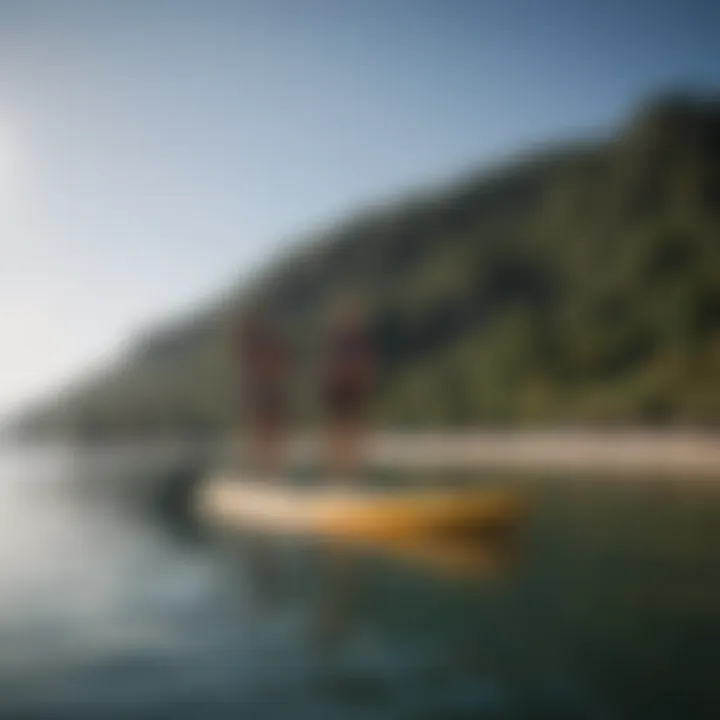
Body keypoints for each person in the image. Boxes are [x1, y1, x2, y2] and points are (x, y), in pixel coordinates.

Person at [233, 303, 288, 478]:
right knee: (262, 428)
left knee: (270, 427)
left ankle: (270, 468)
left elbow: (278, 361)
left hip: (269, 386)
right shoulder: (253, 340)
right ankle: (264, 468)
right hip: (261, 387)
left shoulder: (266, 339)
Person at [323, 298, 374, 482]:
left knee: (351, 427)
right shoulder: (341, 343)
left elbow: (364, 366)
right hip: (342, 390)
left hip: (351, 390)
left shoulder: (355, 343)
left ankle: (349, 470)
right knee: (341, 427)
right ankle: (339, 470)